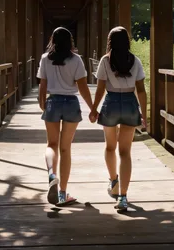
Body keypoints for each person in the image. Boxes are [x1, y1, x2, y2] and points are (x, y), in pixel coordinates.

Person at [89, 26, 148, 212]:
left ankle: (113, 180)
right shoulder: (135, 61)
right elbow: (141, 90)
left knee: (110, 147)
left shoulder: (105, 61)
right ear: (127, 41)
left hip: (111, 103)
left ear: (110, 42)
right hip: (130, 104)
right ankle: (123, 196)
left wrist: (93, 108)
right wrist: (144, 114)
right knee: (125, 152)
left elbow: (100, 88)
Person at [37, 27, 94, 206]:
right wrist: (92, 107)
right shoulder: (76, 60)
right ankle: (62, 193)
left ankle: (51, 174)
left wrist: (42, 102)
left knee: (51, 144)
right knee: (65, 148)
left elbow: (42, 84)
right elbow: (83, 87)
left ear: (52, 40)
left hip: (53, 102)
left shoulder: (45, 59)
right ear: (70, 41)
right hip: (70, 103)